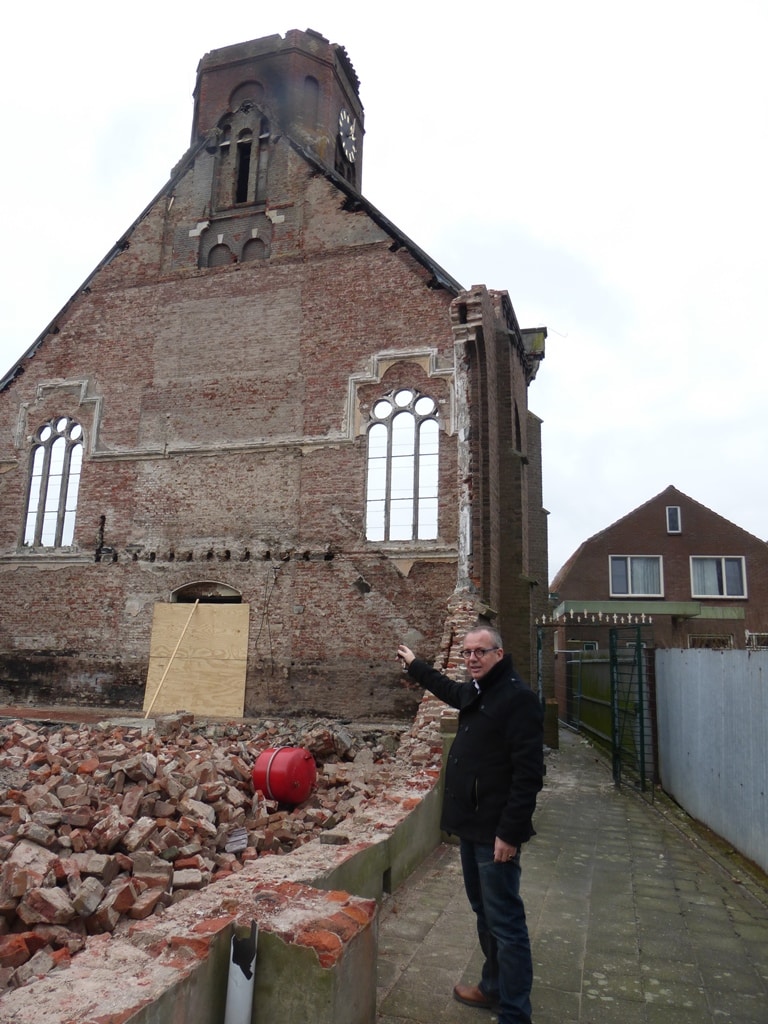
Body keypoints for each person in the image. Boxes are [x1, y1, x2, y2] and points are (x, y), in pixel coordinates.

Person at [397, 625, 544, 1024]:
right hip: (472, 826)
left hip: (495, 833)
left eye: (481, 651)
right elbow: (448, 689)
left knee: (506, 923)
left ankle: (515, 1013)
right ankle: (493, 987)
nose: (472, 658)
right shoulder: (479, 691)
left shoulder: (518, 698)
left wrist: (510, 834)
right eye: (467, 653)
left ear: (499, 653)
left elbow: (529, 775)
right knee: (484, 914)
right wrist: (416, 666)